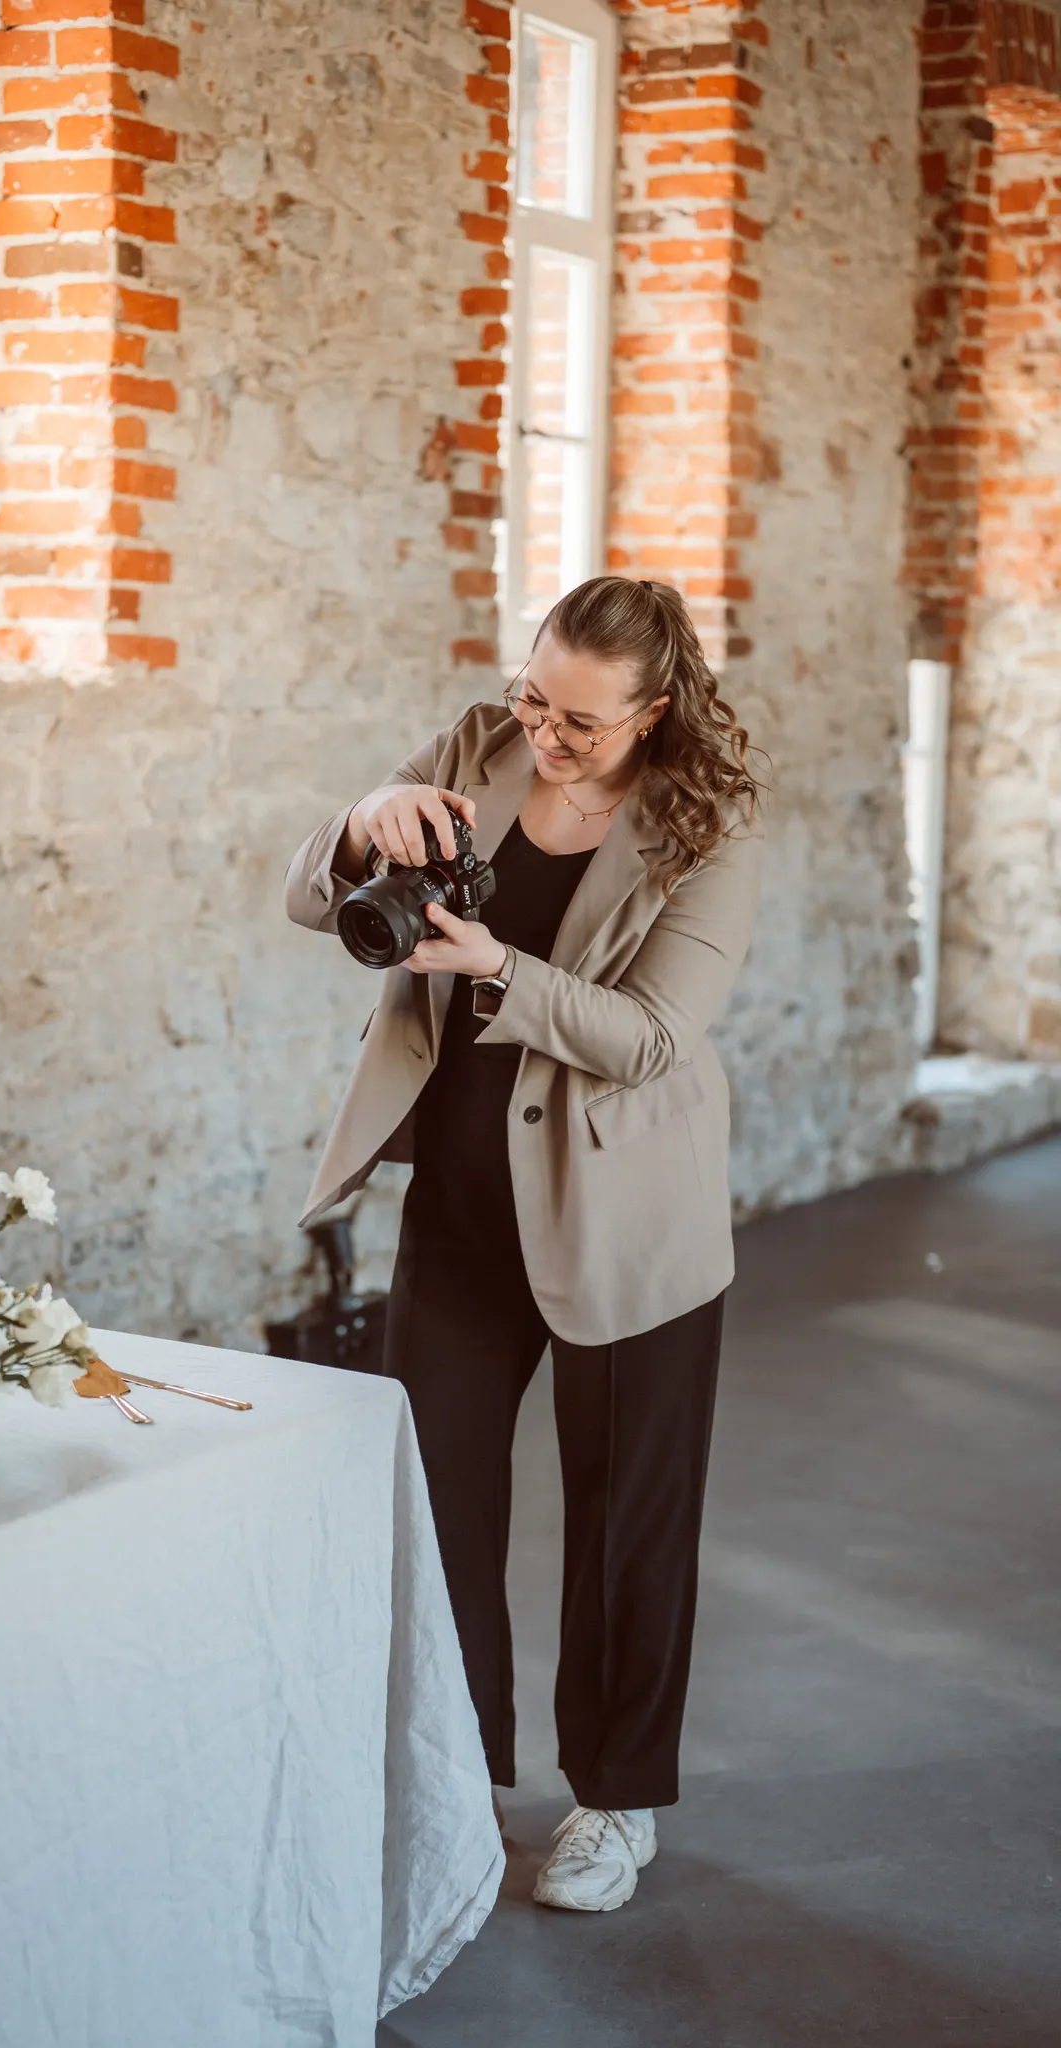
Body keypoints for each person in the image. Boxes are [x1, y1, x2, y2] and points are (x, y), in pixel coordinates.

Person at [284, 575, 764, 1913]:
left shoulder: (705, 830)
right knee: (434, 1505)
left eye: (582, 723)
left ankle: (615, 1805)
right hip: (460, 1195)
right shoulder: (477, 747)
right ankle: (451, 1771)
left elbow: (653, 1037)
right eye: (534, 700)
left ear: (657, 710)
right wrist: (357, 821)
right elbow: (309, 900)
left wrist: (498, 967)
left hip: (629, 1216)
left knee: (626, 1520)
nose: (545, 737)